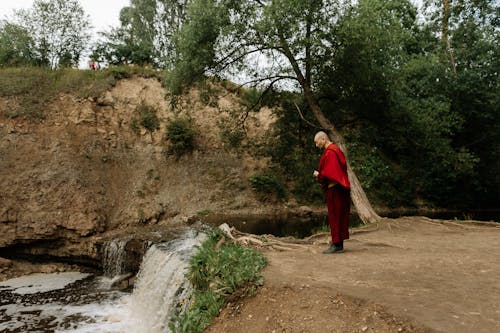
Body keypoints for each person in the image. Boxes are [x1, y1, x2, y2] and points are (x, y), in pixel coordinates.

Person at [313, 131, 351, 254]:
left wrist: (319, 175)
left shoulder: (331, 152)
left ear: (323, 139)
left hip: (335, 189)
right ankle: (338, 243)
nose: (316, 144)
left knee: (335, 216)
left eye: (316, 141)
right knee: (339, 216)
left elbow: (331, 174)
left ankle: (336, 245)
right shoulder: (336, 150)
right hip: (339, 189)